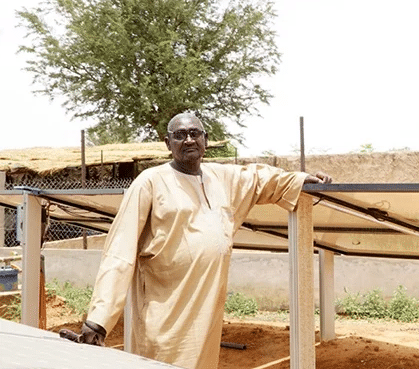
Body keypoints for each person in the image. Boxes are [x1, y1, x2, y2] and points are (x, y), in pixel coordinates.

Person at [60, 112, 332, 369]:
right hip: (165, 313)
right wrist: (98, 322)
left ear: (205, 139)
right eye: (179, 135)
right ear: (168, 143)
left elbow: (260, 178)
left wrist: (302, 179)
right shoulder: (150, 182)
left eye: (194, 133)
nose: (188, 139)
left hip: (206, 312)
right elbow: (120, 251)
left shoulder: (222, 177)